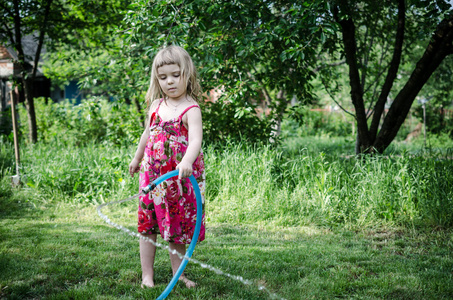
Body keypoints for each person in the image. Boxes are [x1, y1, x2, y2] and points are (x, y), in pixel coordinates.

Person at [128, 45, 206, 289]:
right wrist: (137, 157)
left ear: (187, 74)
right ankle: (147, 276)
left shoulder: (191, 108)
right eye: (163, 77)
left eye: (175, 75)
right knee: (147, 224)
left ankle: (178, 274)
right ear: (157, 79)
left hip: (178, 178)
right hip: (152, 176)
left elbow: (195, 140)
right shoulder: (156, 106)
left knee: (177, 226)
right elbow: (146, 134)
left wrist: (186, 162)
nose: (170, 81)